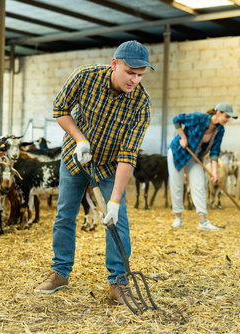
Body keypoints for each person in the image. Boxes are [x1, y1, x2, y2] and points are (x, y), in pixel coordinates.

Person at [34, 40, 154, 305]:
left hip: (110, 166)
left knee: (117, 220)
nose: (134, 80)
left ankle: (118, 281)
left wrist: (114, 201)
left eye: (139, 75)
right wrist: (79, 138)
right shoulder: (85, 77)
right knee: (66, 213)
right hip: (75, 158)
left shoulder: (141, 105)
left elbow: (128, 155)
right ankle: (60, 272)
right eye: (129, 73)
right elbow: (60, 109)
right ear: (115, 64)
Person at [167, 102, 237, 231]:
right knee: (177, 185)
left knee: (199, 185)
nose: (228, 120)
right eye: (226, 116)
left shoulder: (220, 129)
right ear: (218, 113)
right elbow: (176, 119)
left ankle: (203, 221)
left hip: (195, 156)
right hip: (179, 153)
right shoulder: (198, 117)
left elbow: (215, 151)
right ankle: (178, 218)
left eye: (229, 118)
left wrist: (215, 172)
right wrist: (183, 137)